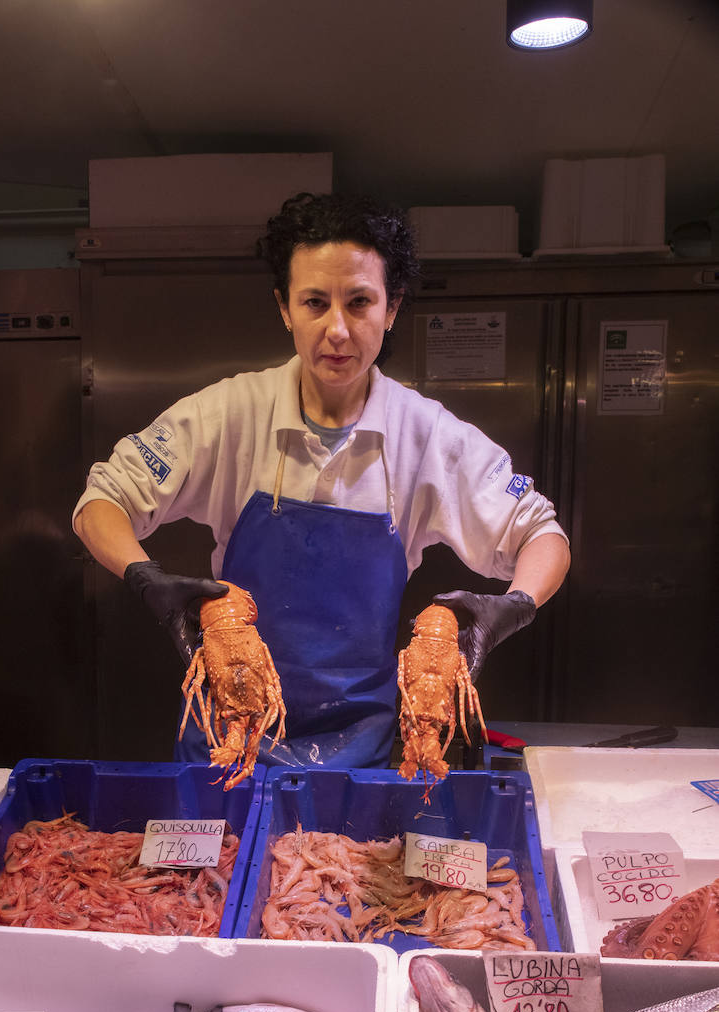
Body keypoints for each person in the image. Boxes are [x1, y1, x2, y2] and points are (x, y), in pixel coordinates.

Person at [73, 191, 570, 770]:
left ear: (392, 307)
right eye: (314, 302)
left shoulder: (429, 436)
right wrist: (145, 578)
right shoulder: (227, 413)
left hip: (358, 752)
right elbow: (102, 499)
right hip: (229, 735)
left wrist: (514, 605)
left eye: (359, 302)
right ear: (284, 308)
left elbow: (542, 534)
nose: (337, 330)